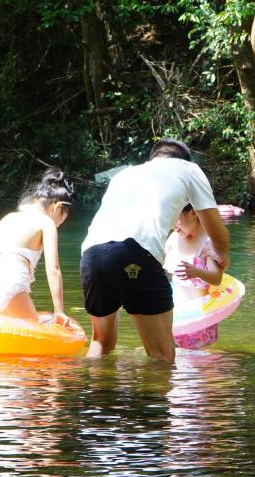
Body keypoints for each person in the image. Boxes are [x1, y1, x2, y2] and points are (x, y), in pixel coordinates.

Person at [80, 139, 230, 362]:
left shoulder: (124, 174)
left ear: (153, 158)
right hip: (135, 251)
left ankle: (96, 395)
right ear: (182, 160)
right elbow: (218, 235)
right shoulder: (189, 169)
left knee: (101, 344)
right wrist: (223, 259)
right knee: (162, 354)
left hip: (91, 254)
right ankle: (153, 398)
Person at [0, 168, 75, 325]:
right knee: (34, 338)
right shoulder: (46, 223)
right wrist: (59, 311)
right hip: (9, 282)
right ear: (58, 207)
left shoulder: (8, 218)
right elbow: (53, 269)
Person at [164, 204, 224, 349]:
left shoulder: (207, 242)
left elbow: (217, 279)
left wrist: (197, 272)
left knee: (197, 365)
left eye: (176, 217)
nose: (173, 224)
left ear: (192, 213)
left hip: (199, 318)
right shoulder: (173, 239)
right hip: (176, 315)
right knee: (175, 362)